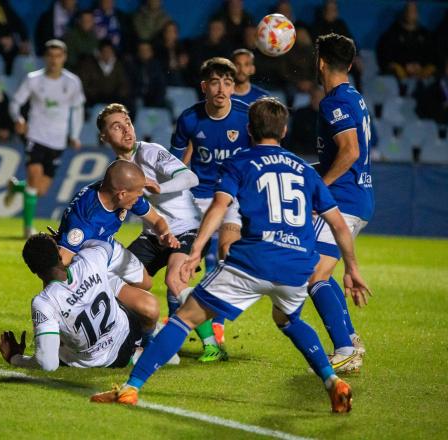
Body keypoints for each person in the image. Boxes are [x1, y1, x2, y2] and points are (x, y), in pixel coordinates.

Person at [90, 97, 372, 413]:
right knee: (288, 319)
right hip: (296, 267)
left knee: (184, 318)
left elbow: (219, 207)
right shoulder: (306, 172)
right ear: (285, 130)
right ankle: (332, 381)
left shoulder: (240, 163)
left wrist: (196, 250)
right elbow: (336, 223)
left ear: (249, 129)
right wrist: (352, 267)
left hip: (252, 262)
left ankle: (130, 388)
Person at [98, 103, 227, 362]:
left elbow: (190, 178)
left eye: (128, 123)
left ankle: (213, 345)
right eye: (116, 126)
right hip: (152, 235)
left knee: (175, 281)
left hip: (186, 228)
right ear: (104, 137)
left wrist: (159, 187)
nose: (126, 130)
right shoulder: (116, 173)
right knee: (111, 276)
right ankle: (146, 334)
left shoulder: (151, 152)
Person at [170, 57, 250, 345]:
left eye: (227, 83)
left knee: (228, 252)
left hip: (231, 199)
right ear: (204, 86)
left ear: (233, 87)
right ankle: (175, 324)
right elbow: (176, 163)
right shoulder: (190, 119)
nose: (221, 88)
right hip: (197, 199)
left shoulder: (246, 117)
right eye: (215, 82)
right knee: (180, 265)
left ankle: (217, 321)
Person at [309, 33, 374, 372]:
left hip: (344, 200)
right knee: (318, 271)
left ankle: (345, 348)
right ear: (348, 64)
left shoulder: (333, 102)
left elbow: (350, 151)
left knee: (314, 275)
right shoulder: (354, 97)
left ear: (320, 61)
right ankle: (349, 339)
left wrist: (320, 185)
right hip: (358, 198)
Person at [0, 234, 159, 370]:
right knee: (107, 282)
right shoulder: (90, 259)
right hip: (130, 334)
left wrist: (15, 358)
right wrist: (68, 241)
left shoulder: (44, 303)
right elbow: (104, 244)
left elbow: (47, 364)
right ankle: (148, 345)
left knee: (53, 333)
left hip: (104, 362)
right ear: (60, 254)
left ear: (33, 270)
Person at [54, 160, 179, 293]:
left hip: (108, 244)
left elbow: (157, 220)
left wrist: (164, 233)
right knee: (148, 308)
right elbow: (59, 265)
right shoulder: (85, 221)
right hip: (86, 256)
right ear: (122, 195)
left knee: (146, 283)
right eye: (138, 193)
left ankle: (110, 290)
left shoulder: (120, 191)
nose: (140, 197)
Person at [4, 39, 85, 238]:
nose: (54, 60)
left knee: (40, 190)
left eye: (58, 56)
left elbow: (77, 110)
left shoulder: (72, 82)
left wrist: (74, 135)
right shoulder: (33, 79)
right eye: (51, 56)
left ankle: (16, 187)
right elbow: (15, 103)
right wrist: (19, 118)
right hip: (35, 136)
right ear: (45, 58)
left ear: (64, 58)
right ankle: (27, 228)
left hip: (57, 141)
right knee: (33, 176)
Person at [76, 39, 132, 111]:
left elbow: (124, 85)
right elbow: (83, 84)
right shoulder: (89, 65)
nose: (107, 54)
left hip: (114, 102)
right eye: (104, 51)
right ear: (99, 52)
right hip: (93, 102)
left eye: (109, 51)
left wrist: (116, 98)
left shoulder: (119, 65)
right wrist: (95, 95)